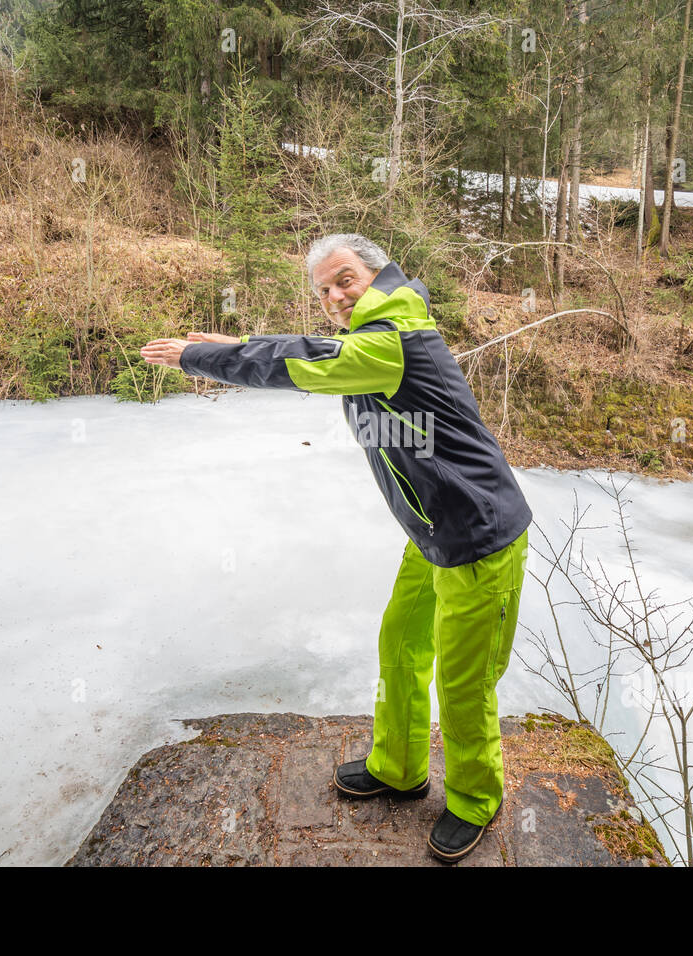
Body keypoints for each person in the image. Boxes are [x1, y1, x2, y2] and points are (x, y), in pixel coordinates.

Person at [141, 233, 532, 863]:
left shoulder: (396, 340)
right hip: (429, 530)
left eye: (344, 279)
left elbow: (302, 365)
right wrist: (233, 346)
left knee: (463, 683)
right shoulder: (371, 340)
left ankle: (475, 799)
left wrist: (204, 359)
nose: (334, 297)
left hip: (477, 535)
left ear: (377, 276)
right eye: (323, 290)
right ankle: (399, 769)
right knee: (401, 647)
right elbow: (320, 351)